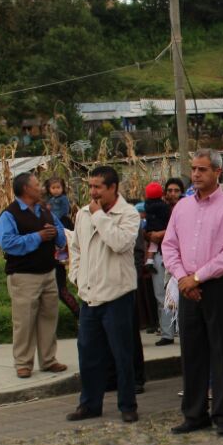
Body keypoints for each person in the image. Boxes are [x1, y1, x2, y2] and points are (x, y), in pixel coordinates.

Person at [163, 149, 223, 436]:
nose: (196, 175)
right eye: (194, 169)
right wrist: (182, 277)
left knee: (222, 352)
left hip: (219, 286)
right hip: (187, 286)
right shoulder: (182, 208)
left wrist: (197, 277)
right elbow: (169, 245)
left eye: (202, 169)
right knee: (192, 352)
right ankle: (194, 413)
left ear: (217, 173)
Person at [66, 165, 142, 424]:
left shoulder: (129, 214)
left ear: (113, 188)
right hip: (89, 296)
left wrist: (100, 216)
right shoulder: (83, 215)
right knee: (88, 353)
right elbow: (75, 247)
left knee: (122, 354)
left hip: (117, 295)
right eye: (90, 186)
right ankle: (89, 404)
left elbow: (119, 242)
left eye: (98, 187)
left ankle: (127, 404)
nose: (93, 192)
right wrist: (76, 275)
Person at [0, 173, 70, 379]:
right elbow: (8, 243)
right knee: (24, 321)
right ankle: (23, 362)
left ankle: (48, 360)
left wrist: (55, 233)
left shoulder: (45, 211)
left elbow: (62, 234)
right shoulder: (9, 215)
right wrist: (37, 237)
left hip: (48, 272)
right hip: (23, 275)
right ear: (26, 189)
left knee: (48, 317)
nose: (41, 189)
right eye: (37, 185)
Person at [143, 181, 177, 346]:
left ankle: (182, 330)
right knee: (161, 296)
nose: (172, 194)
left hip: (177, 256)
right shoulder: (161, 209)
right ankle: (167, 332)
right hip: (159, 255)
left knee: (180, 295)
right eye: (169, 190)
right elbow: (147, 233)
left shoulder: (182, 210)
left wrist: (159, 234)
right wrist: (151, 235)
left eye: (176, 190)